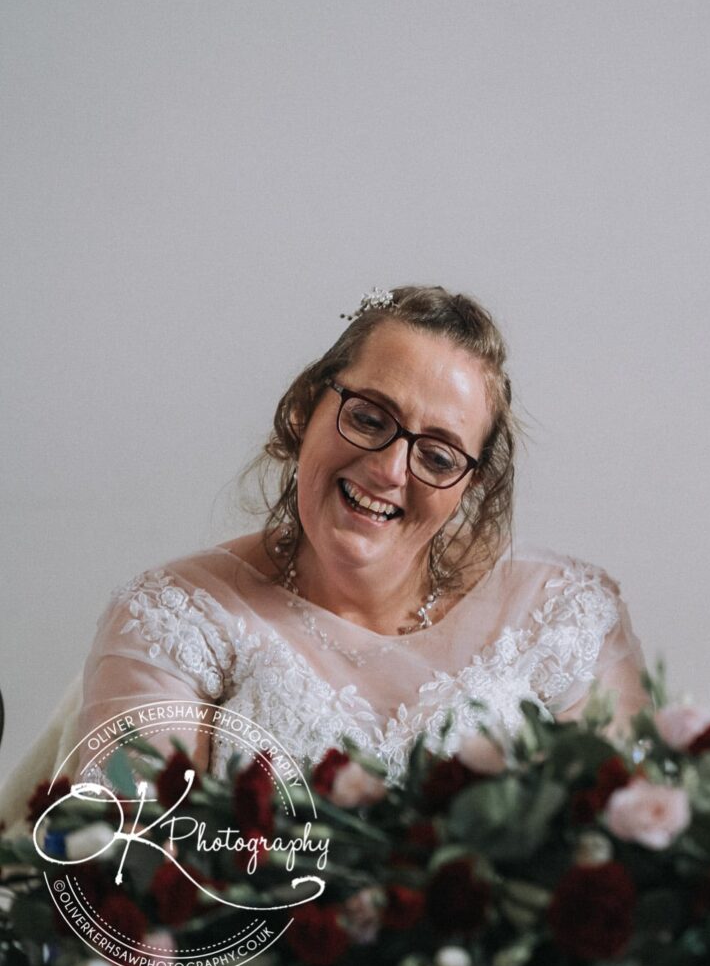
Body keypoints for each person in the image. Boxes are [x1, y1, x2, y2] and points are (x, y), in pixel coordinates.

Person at [16, 286, 647, 796]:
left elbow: (631, 876)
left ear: (468, 487)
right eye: (370, 418)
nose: (392, 469)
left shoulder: (563, 615)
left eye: (438, 454)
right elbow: (130, 881)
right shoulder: (172, 619)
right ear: (304, 408)